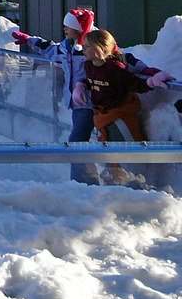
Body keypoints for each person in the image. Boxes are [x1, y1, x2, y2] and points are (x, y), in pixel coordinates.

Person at [12, 9, 163, 184]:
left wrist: (146, 70)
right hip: (80, 103)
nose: (65, 29)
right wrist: (30, 40)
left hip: (99, 102)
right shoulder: (65, 47)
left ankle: (95, 181)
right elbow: (49, 49)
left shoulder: (95, 43)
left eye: (68, 26)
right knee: (90, 139)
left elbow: (122, 58)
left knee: (88, 140)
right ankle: (95, 179)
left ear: (78, 28)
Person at [78, 29, 172, 182]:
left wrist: (151, 81)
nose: (84, 49)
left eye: (88, 46)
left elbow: (133, 83)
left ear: (100, 48)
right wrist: (80, 86)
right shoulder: (89, 65)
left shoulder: (114, 68)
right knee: (109, 152)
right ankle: (115, 182)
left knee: (126, 152)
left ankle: (137, 182)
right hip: (102, 116)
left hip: (120, 116)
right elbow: (90, 81)